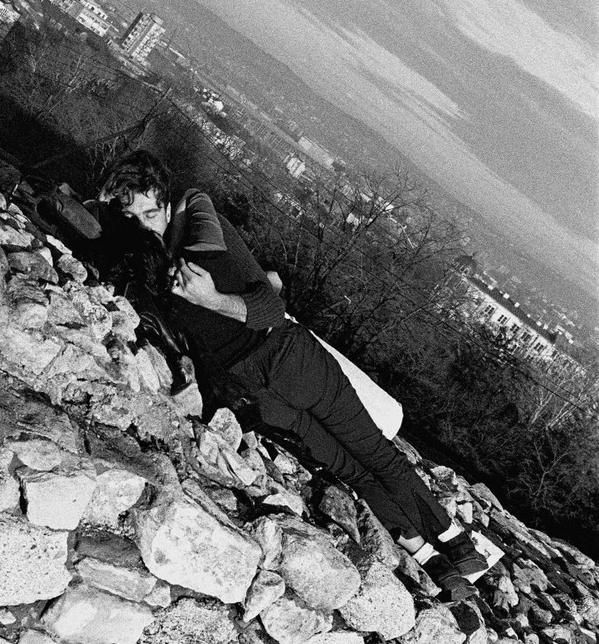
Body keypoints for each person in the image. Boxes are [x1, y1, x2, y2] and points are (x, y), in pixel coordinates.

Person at [99, 151, 487, 601]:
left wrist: (211, 298)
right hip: (261, 390)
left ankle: (454, 549)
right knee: (357, 470)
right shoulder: (153, 260)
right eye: (132, 217)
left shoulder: (202, 236)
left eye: (150, 213)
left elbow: (269, 307)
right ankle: (440, 563)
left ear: (166, 207)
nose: (144, 225)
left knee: (373, 456)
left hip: (288, 359)